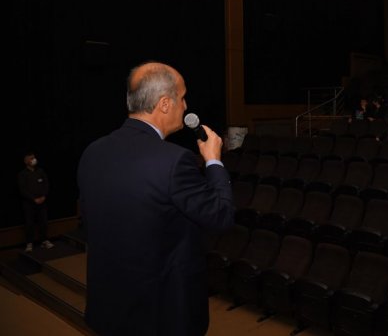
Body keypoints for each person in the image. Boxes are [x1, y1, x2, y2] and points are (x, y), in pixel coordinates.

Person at [77, 61, 235, 336]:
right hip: (160, 315)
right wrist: (213, 161)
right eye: (182, 98)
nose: (185, 106)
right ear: (164, 104)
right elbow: (221, 216)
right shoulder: (175, 161)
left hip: (109, 307)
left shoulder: (93, 152)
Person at [17, 151, 54, 252]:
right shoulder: (22, 174)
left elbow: (46, 184)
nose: (34, 160)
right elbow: (22, 189)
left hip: (42, 202)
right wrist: (33, 199)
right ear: (26, 161)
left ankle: (44, 240)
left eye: (34, 158)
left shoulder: (40, 171)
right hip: (29, 203)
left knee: (43, 222)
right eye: (31, 158)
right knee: (29, 223)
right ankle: (29, 243)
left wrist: (44, 196)